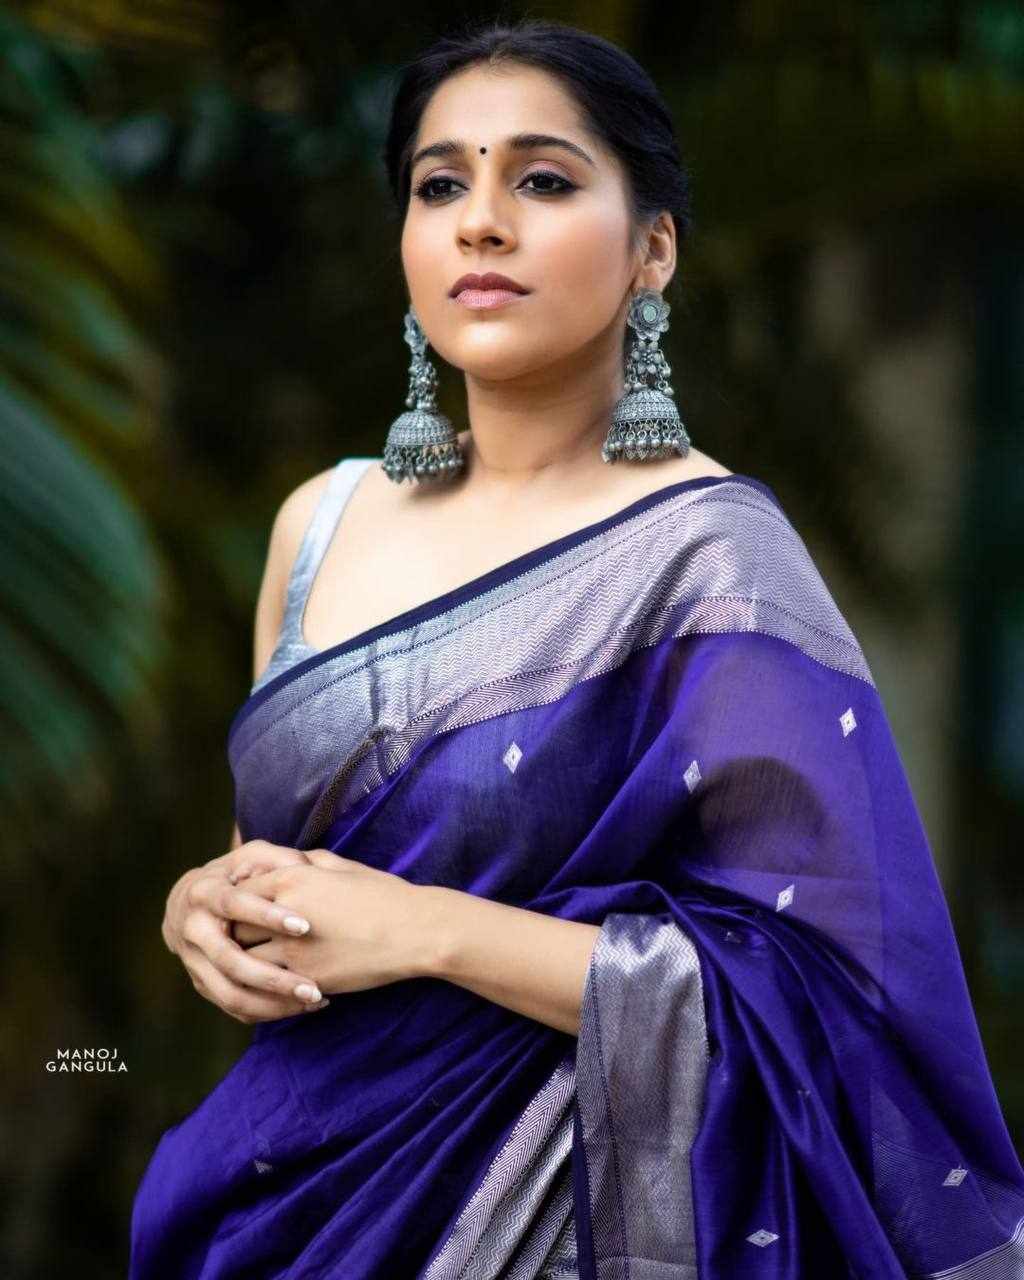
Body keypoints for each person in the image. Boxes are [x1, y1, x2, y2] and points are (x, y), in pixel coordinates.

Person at [130, 17, 1024, 1279]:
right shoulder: (317, 523)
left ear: (653, 248)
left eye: (542, 180)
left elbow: (819, 993)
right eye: (440, 185)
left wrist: (431, 929)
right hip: (286, 1194)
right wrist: (202, 908)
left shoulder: (707, 558)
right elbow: (278, 872)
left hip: (553, 1219)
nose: (481, 224)